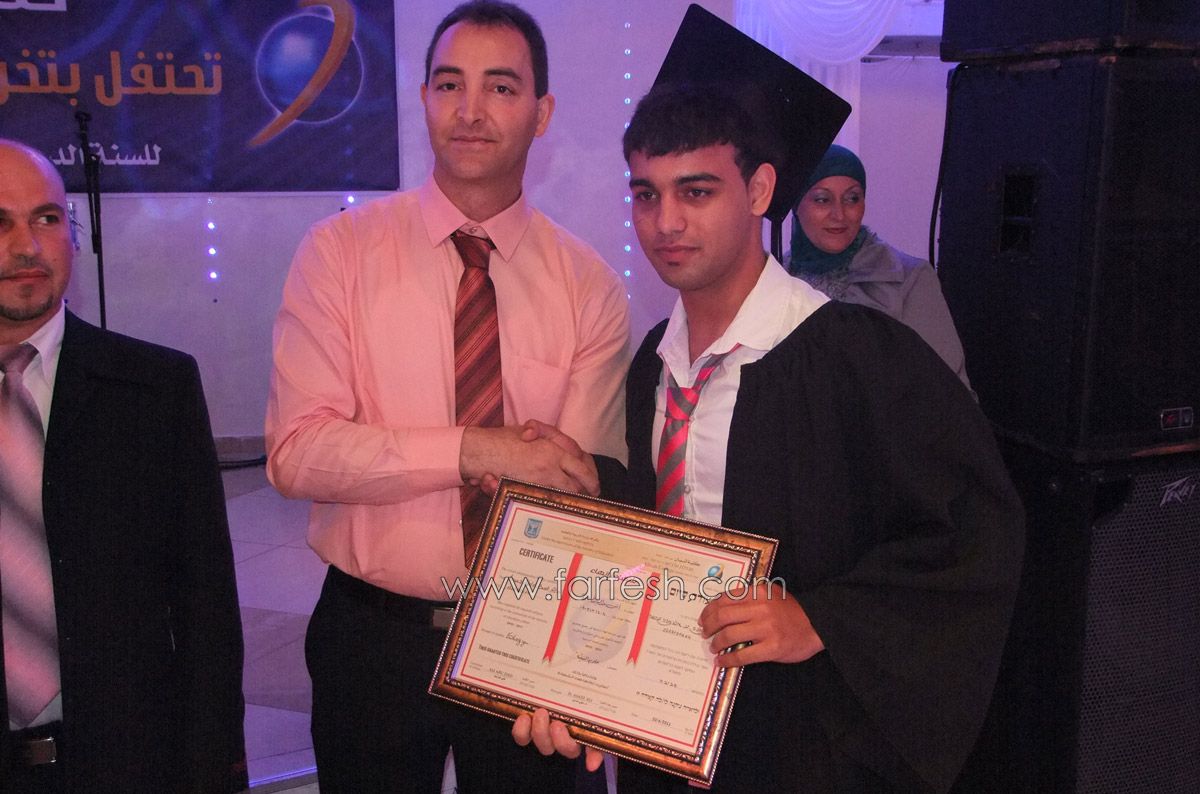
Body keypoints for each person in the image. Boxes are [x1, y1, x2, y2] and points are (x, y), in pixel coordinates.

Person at [515, 83, 1024, 793]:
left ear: (758, 191)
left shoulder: (855, 355)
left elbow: (973, 527)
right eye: (646, 195)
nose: (666, 222)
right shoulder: (655, 362)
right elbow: (677, 521)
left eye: (696, 192)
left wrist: (820, 619)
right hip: (666, 726)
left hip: (802, 739)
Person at [265, 1, 630, 790]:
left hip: (529, 633)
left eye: (501, 87)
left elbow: (579, 488)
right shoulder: (339, 254)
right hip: (374, 635)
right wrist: (474, 450)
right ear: (424, 98)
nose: (470, 110)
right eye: (449, 84)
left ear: (542, 113)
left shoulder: (588, 286)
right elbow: (298, 453)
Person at [0, 139, 247, 791]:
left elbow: (206, 612)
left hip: (123, 764)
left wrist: (214, 770)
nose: (27, 246)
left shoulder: (153, 391)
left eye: (47, 218)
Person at [788, 144, 972, 389]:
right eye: (822, 199)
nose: (839, 214)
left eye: (852, 198)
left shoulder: (909, 279)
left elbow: (950, 392)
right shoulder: (776, 279)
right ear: (796, 205)